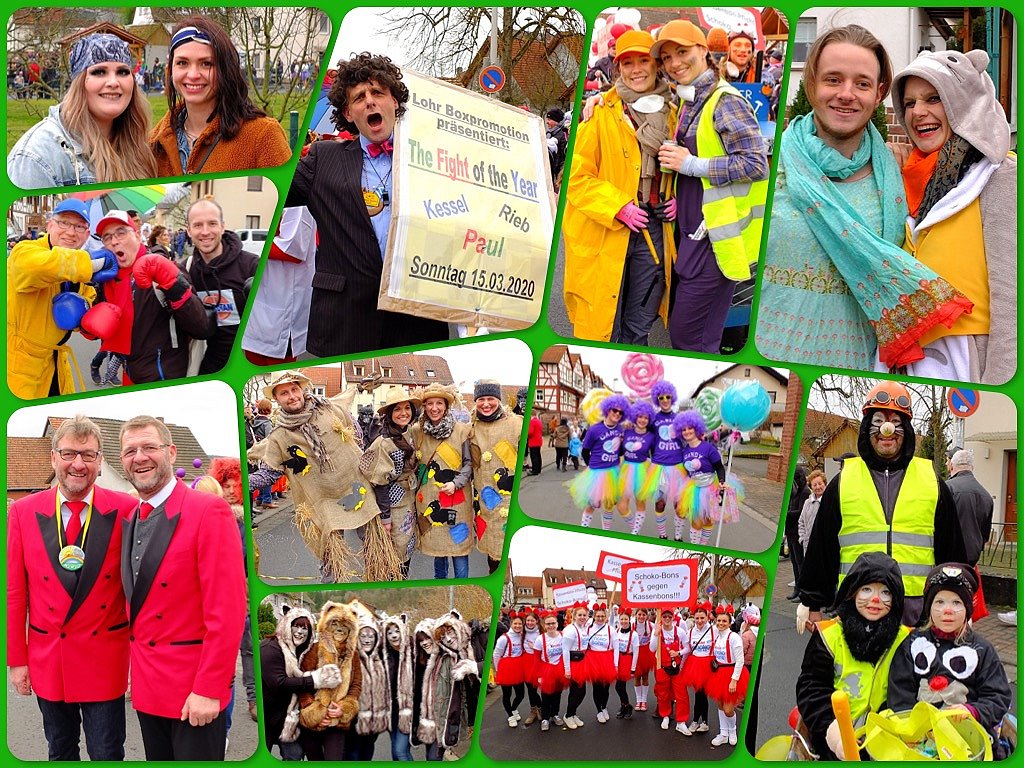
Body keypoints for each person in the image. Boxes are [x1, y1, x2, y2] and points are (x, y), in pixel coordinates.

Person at [755, 25, 971, 372]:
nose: (846, 93)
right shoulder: (771, 164)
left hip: (860, 367)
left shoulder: (898, 176)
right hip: (772, 359)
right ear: (811, 84)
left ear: (879, 92)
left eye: (862, 83)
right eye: (833, 79)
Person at [284, 52, 448, 356]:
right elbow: (274, 190)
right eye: (359, 97)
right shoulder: (323, 158)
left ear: (395, 102)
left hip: (415, 323)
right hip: (344, 321)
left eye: (378, 92)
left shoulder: (432, 160)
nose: (370, 101)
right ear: (348, 113)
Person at [879, 49, 1016, 383]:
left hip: (971, 359)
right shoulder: (906, 180)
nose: (918, 113)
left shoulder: (1001, 175)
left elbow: (1012, 294)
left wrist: (1000, 383)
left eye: (933, 98)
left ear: (964, 101)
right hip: (911, 360)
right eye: (909, 103)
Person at [7, 415, 138, 760]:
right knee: (60, 750)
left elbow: (137, 589)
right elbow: (15, 593)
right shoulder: (22, 512)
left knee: (107, 752)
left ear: (100, 461)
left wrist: (138, 662)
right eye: (68, 454)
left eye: (88, 455)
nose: (78, 464)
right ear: (53, 458)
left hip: (105, 659)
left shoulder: (127, 509)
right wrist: (17, 660)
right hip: (50, 658)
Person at [118, 415, 246, 760]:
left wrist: (209, 688)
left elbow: (229, 609)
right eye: (130, 451)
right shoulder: (132, 519)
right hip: (148, 689)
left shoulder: (209, 511)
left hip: (194, 691)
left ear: (171, 452)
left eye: (149, 447)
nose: (139, 457)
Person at [797, 381, 966, 628]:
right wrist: (812, 604)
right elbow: (822, 548)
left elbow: (952, 553)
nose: (887, 430)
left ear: (906, 430)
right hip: (856, 608)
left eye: (896, 422)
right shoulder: (844, 481)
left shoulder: (932, 481)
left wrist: (958, 603)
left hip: (915, 614)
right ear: (867, 429)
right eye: (878, 421)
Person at [654, 20, 769, 352]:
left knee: (690, 338)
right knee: (691, 335)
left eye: (682, 52)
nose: (675, 63)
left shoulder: (725, 101)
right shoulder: (689, 100)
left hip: (715, 241)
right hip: (691, 235)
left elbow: (755, 164)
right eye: (667, 58)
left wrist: (691, 165)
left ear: (703, 50)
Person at [563, 29, 677, 344]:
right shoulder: (600, 113)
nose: (637, 69)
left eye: (644, 60)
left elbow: (685, 165)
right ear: (618, 67)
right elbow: (576, 178)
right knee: (602, 326)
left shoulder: (674, 114)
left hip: (654, 228)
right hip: (606, 231)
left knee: (639, 326)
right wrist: (618, 206)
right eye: (628, 63)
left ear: (656, 65)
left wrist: (678, 197)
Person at [247, 370, 387, 581]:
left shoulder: (327, 409)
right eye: (284, 393)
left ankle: (379, 581)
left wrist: (355, 457)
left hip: (356, 488)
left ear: (302, 390)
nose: (292, 396)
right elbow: (269, 473)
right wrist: (240, 483)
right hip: (322, 501)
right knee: (331, 562)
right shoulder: (279, 436)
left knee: (374, 547)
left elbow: (350, 415)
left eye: (295, 389)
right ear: (276, 399)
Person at [795, 551, 909, 760]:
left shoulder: (905, 639)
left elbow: (907, 692)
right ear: (853, 592)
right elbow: (811, 688)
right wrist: (835, 733)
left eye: (885, 592)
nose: (875, 599)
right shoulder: (829, 635)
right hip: (832, 740)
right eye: (866, 589)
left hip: (886, 743)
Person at [8, 33, 157, 188]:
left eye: (122, 72)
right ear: (79, 83)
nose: (113, 82)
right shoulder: (36, 158)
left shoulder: (139, 146)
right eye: (99, 72)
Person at [888, 563, 1012, 742]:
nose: (948, 610)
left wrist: (972, 711)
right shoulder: (912, 644)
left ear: (968, 608)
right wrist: (913, 728)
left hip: (968, 737)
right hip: (920, 738)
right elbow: (899, 693)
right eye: (939, 602)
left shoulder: (982, 650)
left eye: (957, 602)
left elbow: (998, 697)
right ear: (929, 607)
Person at [7, 199, 118, 399]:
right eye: (63, 223)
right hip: (18, 366)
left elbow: (84, 311)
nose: (70, 232)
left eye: (79, 226)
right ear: (50, 225)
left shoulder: (83, 276)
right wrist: (90, 264)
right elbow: (38, 267)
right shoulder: (24, 251)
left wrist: (89, 322)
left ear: (87, 233)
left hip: (56, 362)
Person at [150, 17, 291, 175]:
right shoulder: (154, 145)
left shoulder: (263, 135)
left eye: (206, 63)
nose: (193, 74)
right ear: (170, 70)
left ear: (225, 69)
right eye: (182, 63)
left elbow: (287, 197)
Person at [92, 210, 214, 384]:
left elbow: (201, 327)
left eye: (121, 233)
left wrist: (174, 285)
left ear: (136, 235)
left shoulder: (164, 267)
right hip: (130, 373)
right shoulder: (108, 281)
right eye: (107, 237)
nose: (114, 241)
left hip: (164, 379)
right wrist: (85, 324)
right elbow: (101, 328)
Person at [184, 198, 258, 374]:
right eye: (197, 225)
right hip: (212, 366)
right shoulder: (186, 271)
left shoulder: (252, 265)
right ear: (188, 230)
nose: (205, 231)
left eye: (212, 223)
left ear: (223, 227)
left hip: (249, 363)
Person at [260, 606, 341, 761]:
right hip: (269, 717)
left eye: (305, 628)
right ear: (286, 625)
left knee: (294, 755)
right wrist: (315, 680)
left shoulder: (303, 653)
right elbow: (279, 683)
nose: (299, 631)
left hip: (290, 719)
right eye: (296, 625)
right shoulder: (270, 648)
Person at [241, 205, 316, 365]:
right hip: (265, 302)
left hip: (283, 307)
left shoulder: (299, 205)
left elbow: (293, 249)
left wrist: (255, 249)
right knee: (254, 358)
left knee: (278, 370)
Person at [361, 386, 420, 577]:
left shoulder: (408, 433)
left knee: (406, 549)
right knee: (394, 552)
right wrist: (385, 518)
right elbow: (380, 482)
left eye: (407, 408)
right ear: (389, 414)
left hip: (408, 503)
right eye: (397, 409)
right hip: (392, 507)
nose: (403, 413)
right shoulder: (384, 442)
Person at [469, 380, 522, 573]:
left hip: (509, 500)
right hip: (485, 501)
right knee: (492, 550)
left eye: (490, 399)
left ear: (498, 400)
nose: (486, 404)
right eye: (481, 399)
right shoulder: (471, 427)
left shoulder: (516, 423)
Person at [298, 601, 362, 760]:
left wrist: (344, 708)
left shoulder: (353, 655)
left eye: (345, 625)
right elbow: (301, 682)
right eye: (335, 623)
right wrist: (313, 710)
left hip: (337, 720)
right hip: (314, 719)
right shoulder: (314, 650)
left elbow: (356, 685)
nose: (340, 629)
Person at [675, 409, 740, 544]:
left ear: (696, 429)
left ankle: (703, 547)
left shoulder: (708, 448)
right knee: (697, 522)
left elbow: (719, 467)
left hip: (711, 488)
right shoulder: (685, 450)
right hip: (694, 489)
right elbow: (687, 472)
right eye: (683, 429)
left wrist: (722, 481)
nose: (687, 432)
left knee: (709, 520)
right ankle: (695, 547)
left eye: (690, 428)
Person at [569, 393, 628, 531]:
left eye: (621, 412)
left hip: (613, 472)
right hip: (596, 472)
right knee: (591, 505)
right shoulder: (594, 429)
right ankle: (584, 530)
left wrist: (624, 445)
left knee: (608, 506)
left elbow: (618, 452)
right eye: (615, 410)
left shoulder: (620, 429)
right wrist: (592, 467)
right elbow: (585, 451)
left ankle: (605, 533)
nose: (617, 414)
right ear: (608, 410)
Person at [643, 380, 685, 540]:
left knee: (679, 506)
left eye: (668, 397)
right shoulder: (652, 419)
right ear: (657, 400)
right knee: (659, 504)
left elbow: (690, 436)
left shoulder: (679, 419)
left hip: (677, 467)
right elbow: (642, 432)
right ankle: (662, 535)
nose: (665, 400)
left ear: (672, 398)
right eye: (661, 398)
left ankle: (678, 537)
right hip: (659, 468)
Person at [347, 602, 388, 759]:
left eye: (371, 636)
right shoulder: (351, 659)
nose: (367, 640)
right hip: (354, 721)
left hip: (373, 722)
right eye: (363, 636)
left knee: (367, 753)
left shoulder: (380, 660)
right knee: (353, 754)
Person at [705, 604, 747, 745]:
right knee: (720, 705)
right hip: (718, 674)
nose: (721, 623)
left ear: (730, 623)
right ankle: (723, 733)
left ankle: (732, 731)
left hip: (731, 674)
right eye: (719, 621)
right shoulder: (717, 636)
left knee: (729, 709)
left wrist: (734, 680)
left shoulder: (734, 637)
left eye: (724, 621)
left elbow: (740, 660)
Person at [945, 449, 993, 568]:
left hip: (946, 559)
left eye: (947, 461)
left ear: (951, 466)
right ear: (972, 467)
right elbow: (985, 534)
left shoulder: (945, 489)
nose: (946, 463)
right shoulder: (986, 496)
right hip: (971, 561)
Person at [649, 607, 692, 735]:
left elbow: (687, 648)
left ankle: (681, 722)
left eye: (669, 616)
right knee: (663, 694)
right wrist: (656, 634)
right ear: (661, 618)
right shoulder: (657, 631)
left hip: (676, 668)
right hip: (662, 668)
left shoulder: (679, 632)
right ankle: (665, 716)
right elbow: (652, 649)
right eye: (664, 616)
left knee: (682, 695)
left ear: (673, 618)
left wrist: (678, 652)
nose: (667, 619)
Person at [616, 400, 656, 535]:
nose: (643, 420)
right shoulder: (626, 431)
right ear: (635, 417)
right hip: (626, 469)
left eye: (646, 417)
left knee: (640, 503)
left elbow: (657, 454)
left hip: (642, 470)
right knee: (621, 506)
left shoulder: (651, 436)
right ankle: (634, 526)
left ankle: (635, 532)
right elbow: (620, 451)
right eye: (640, 416)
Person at [381, 614, 415, 760]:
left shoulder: (413, 651)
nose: (394, 635)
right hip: (391, 712)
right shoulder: (384, 655)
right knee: (397, 753)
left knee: (400, 751)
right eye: (389, 633)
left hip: (407, 711)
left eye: (397, 631)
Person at [560, 603, 592, 730]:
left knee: (578, 692)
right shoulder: (570, 630)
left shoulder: (583, 628)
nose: (582, 617)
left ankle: (572, 713)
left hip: (582, 662)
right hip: (574, 663)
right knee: (578, 692)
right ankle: (568, 715)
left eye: (584, 615)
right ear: (574, 616)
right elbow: (565, 650)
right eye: (580, 615)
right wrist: (567, 669)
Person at [534, 610, 567, 731]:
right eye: (548, 624)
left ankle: (555, 714)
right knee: (546, 695)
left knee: (557, 694)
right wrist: (539, 675)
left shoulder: (563, 635)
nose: (551, 626)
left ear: (557, 623)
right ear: (544, 625)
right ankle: (545, 718)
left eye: (553, 623)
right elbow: (536, 659)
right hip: (546, 669)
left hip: (560, 668)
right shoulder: (540, 639)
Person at [493, 612, 528, 727]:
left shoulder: (522, 636)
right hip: (506, 667)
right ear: (511, 624)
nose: (518, 626)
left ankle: (513, 709)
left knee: (521, 694)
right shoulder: (504, 638)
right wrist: (498, 670)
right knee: (507, 694)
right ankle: (510, 716)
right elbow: (496, 654)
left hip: (518, 666)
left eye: (520, 624)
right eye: (515, 624)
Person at [796, 469, 827, 586]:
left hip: (823, 547)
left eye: (820, 483)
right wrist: (802, 538)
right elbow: (801, 522)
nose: (818, 487)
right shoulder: (807, 502)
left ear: (825, 484)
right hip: (808, 546)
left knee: (823, 575)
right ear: (811, 487)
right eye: (815, 485)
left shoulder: (829, 501)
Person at [785, 466, 810, 599]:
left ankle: (803, 591)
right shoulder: (793, 491)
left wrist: (786, 514)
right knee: (794, 562)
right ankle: (797, 588)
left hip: (798, 532)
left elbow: (801, 512)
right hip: (790, 531)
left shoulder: (805, 492)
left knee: (801, 563)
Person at [613, 609, 639, 718]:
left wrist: (633, 668)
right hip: (617, 659)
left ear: (629, 620)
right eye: (622, 619)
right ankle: (625, 705)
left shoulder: (634, 634)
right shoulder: (617, 631)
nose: (624, 621)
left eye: (626, 619)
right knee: (619, 687)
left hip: (627, 659)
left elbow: (636, 653)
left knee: (620, 686)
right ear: (619, 620)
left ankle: (626, 706)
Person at [631, 607, 655, 712]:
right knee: (636, 678)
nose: (641, 617)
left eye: (643, 615)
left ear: (647, 616)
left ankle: (644, 701)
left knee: (645, 677)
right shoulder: (632, 625)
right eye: (639, 614)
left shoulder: (651, 626)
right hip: (635, 653)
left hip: (646, 653)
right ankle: (638, 700)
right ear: (636, 615)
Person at [527, 410, 543, 475]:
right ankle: (538, 469)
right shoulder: (538, 421)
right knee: (538, 455)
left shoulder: (532, 422)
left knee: (534, 457)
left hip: (533, 441)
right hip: (538, 441)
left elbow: (530, 432)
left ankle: (535, 470)